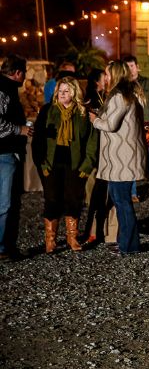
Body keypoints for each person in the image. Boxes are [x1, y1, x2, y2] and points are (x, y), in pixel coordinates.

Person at [89, 60, 147, 255]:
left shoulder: (119, 97)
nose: (105, 78)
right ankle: (125, 242)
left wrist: (94, 120)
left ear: (113, 75)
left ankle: (129, 246)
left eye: (107, 73)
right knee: (121, 200)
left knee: (122, 201)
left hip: (121, 159)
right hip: (122, 157)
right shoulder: (128, 95)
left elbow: (111, 125)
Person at [39, 77, 98, 253]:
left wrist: (86, 165)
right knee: (52, 200)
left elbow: (91, 141)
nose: (62, 94)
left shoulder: (82, 113)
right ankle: (51, 240)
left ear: (73, 92)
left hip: (75, 164)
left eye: (66, 91)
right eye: (59, 91)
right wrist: (43, 164)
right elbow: (39, 139)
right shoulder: (49, 111)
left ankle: (72, 238)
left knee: (73, 200)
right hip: (52, 163)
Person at [0, 55, 33, 261]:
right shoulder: (3, 90)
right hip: (4, 153)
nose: (26, 77)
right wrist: (19, 129)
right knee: (6, 202)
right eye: (25, 73)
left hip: (6, 152)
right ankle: (3, 247)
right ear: (18, 73)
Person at [122, 55, 149, 199]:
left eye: (132, 66)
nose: (130, 70)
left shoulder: (148, 83)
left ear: (137, 66)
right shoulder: (122, 86)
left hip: (147, 128)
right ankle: (132, 193)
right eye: (126, 67)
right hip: (129, 128)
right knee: (130, 161)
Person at [81, 68, 111, 246]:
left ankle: (101, 230)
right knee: (93, 195)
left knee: (102, 195)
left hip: (104, 152)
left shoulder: (104, 98)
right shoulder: (90, 101)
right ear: (96, 82)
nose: (106, 80)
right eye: (104, 78)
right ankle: (91, 232)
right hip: (95, 153)